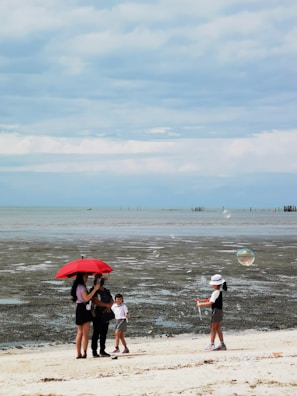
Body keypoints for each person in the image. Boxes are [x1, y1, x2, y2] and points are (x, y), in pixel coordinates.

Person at [70, 272, 100, 359]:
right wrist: (95, 289)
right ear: (81, 277)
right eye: (86, 276)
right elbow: (86, 298)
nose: (87, 278)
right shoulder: (82, 287)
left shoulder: (76, 287)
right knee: (85, 333)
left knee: (79, 332)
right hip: (84, 308)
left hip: (79, 308)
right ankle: (84, 353)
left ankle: (78, 353)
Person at [196, 274, 227, 351]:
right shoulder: (219, 291)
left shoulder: (215, 292)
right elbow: (211, 300)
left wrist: (200, 304)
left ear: (215, 285)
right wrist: (202, 300)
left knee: (213, 328)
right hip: (219, 311)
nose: (212, 285)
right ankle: (222, 344)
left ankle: (212, 344)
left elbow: (210, 302)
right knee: (217, 328)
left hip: (216, 311)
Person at [90, 274, 114, 357]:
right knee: (96, 333)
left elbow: (111, 300)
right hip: (97, 314)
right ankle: (94, 351)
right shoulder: (93, 290)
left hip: (106, 314)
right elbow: (95, 301)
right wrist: (106, 305)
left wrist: (109, 306)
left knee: (104, 333)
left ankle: (102, 350)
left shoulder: (106, 291)